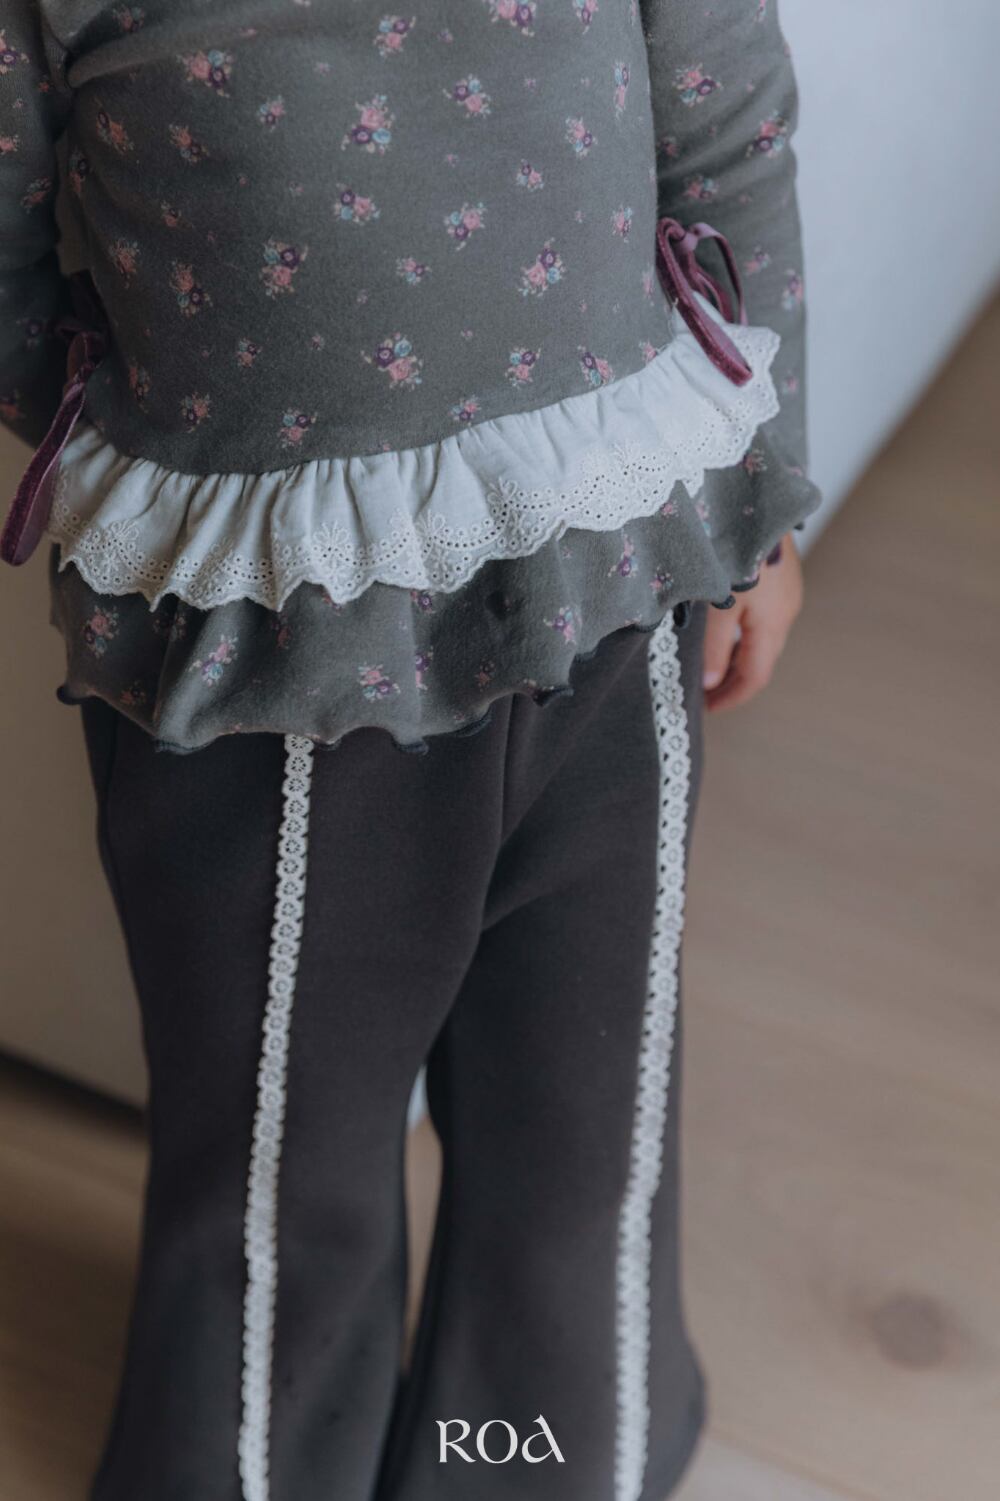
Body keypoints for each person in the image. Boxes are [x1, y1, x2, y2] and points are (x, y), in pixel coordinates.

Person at [0, 2, 820, 1497]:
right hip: (267, 637)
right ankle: (248, 1467)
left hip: (614, 568)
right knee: (276, 1149)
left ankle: (541, 1455)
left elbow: (728, 133)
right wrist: (148, 435)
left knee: (581, 1100)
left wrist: (764, 499)